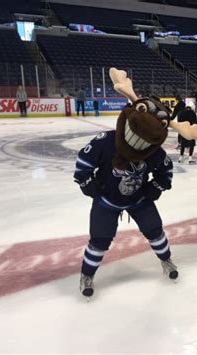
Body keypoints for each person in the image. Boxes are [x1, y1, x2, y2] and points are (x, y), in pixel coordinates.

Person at [74, 96, 179, 298]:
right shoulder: (106, 141)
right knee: (99, 240)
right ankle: (87, 275)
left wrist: (155, 188)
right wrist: (88, 184)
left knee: (155, 231)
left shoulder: (153, 151)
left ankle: (166, 260)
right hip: (106, 200)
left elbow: (165, 171)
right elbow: (84, 162)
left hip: (138, 200)